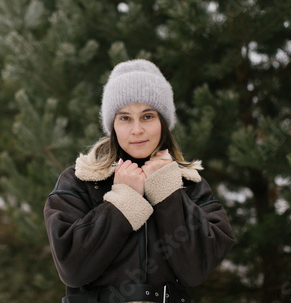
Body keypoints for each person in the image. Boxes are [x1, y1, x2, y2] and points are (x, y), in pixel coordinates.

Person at [44, 59, 235, 303]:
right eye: (125, 118)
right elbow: (72, 269)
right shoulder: (80, 181)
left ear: (163, 122)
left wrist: (167, 192)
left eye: (147, 116)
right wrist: (122, 202)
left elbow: (196, 269)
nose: (137, 130)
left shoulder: (189, 185)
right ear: (112, 124)